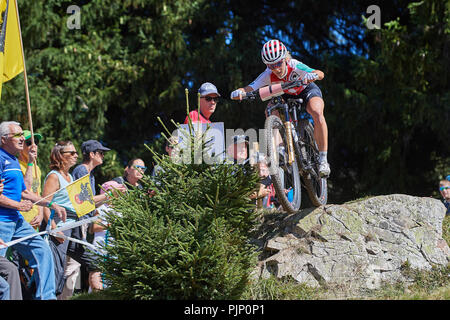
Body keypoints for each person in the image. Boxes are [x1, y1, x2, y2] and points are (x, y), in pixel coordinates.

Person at [230, 39, 331, 177]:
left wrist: (312, 75)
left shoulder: (294, 65)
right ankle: (280, 150)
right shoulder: (267, 74)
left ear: (285, 58)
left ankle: (323, 159)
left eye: (278, 63)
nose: (276, 69)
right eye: (271, 66)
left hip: (305, 89)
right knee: (270, 110)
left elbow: (320, 73)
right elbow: (251, 87)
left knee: (317, 111)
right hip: (286, 94)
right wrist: (240, 91)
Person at [0, 121, 66, 300]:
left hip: (17, 222)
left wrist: (51, 204)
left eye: (23, 135)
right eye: (18, 135)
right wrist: (18, 206)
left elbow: (25, 191)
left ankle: (47, 297)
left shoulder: (13, 159)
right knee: (4, 270)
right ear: (3, 139)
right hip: (2, 222)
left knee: (42, 250)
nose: (23, 138)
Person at [70, 139, 125, 293]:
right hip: (75, 224)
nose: (103, 156)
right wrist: (111, 194)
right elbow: (85, 202)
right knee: (83, 267)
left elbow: (91, 204)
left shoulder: (90, 174)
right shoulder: (81, 170)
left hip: (81, 224)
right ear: (92, 154)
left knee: (71, 269)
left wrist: (112, 197)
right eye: (100, 153)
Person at [89, 180, 124, 291]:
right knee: (99, 278)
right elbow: (93, 228)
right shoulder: (101, 209)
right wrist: (111, 225)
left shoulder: (120, 209)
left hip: (115, 248)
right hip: (101, 246)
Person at [18, 130, 44, 228]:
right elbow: (25, 190)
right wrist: (29, 163)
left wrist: (40, 214)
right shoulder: (16, 166)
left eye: (36, 142)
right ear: (20, 147)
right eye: (29, 143)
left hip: (35, 222)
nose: (34, 146)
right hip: (21, 221)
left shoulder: (36, 168)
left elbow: (37, 193)